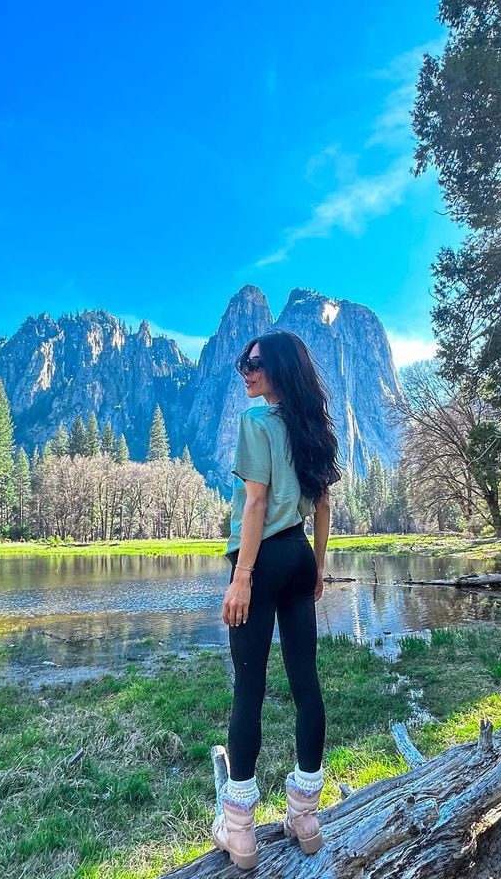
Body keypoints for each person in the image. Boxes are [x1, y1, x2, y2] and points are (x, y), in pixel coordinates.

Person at [211, 330, 341, 870]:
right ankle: (305, 816)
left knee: (250, 688)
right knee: (306, 686)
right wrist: (320, 565)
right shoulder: (314, 427)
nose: (246, 370)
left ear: (280, 369)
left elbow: (256, 502)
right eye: (244, 362)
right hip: (299, 557)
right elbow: (323, 505)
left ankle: (239, 830)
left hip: (262, 558)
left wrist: (241, 578)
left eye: (256, 363)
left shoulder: (256, 423)